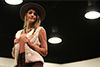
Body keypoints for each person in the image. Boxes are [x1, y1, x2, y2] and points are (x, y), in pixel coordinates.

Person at [11, 2, 48, 67]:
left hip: (34, 63)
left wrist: (30, 44)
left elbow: (44, 52)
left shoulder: (40, 30)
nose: (32, 15)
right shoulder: (18, 33)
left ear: (37, 17)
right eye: (30, 12)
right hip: (19, 62)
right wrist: (14, 45)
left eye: (35, 14)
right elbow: (14, 54)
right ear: (26, 15)